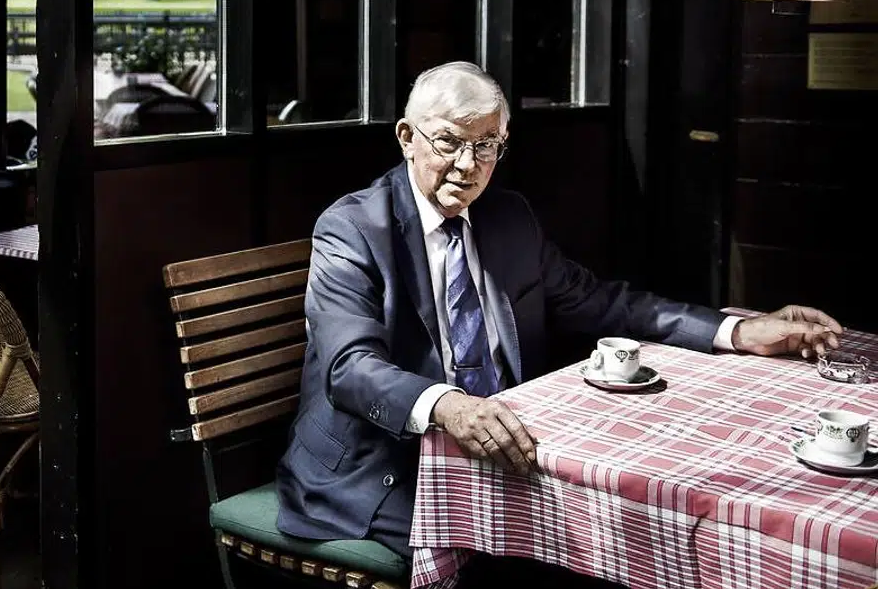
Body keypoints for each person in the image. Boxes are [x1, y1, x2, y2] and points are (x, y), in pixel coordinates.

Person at [274, 61, 843, 585]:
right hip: (383, 468)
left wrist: (737, 332)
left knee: (640, 524)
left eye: (486, 146)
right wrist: (450, 407)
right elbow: (350, 368)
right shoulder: (354, 228)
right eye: (448, 142)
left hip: (503, 447)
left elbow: (601, 303)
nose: (468, 166)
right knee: (545, 555)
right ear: (407, 137)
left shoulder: (508, 217)